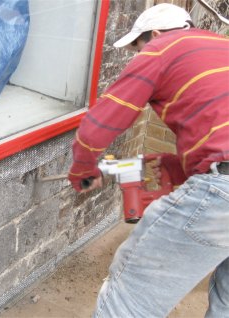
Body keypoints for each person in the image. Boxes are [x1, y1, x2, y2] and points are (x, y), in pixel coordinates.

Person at [68, 3, 229, 317]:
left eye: (136, 47)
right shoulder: (221, 47)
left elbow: (102, 120)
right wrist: (178, 165)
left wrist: (84, 168)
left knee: (128, 299)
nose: (137, 55)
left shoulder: (162, 48)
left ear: (154, 34)